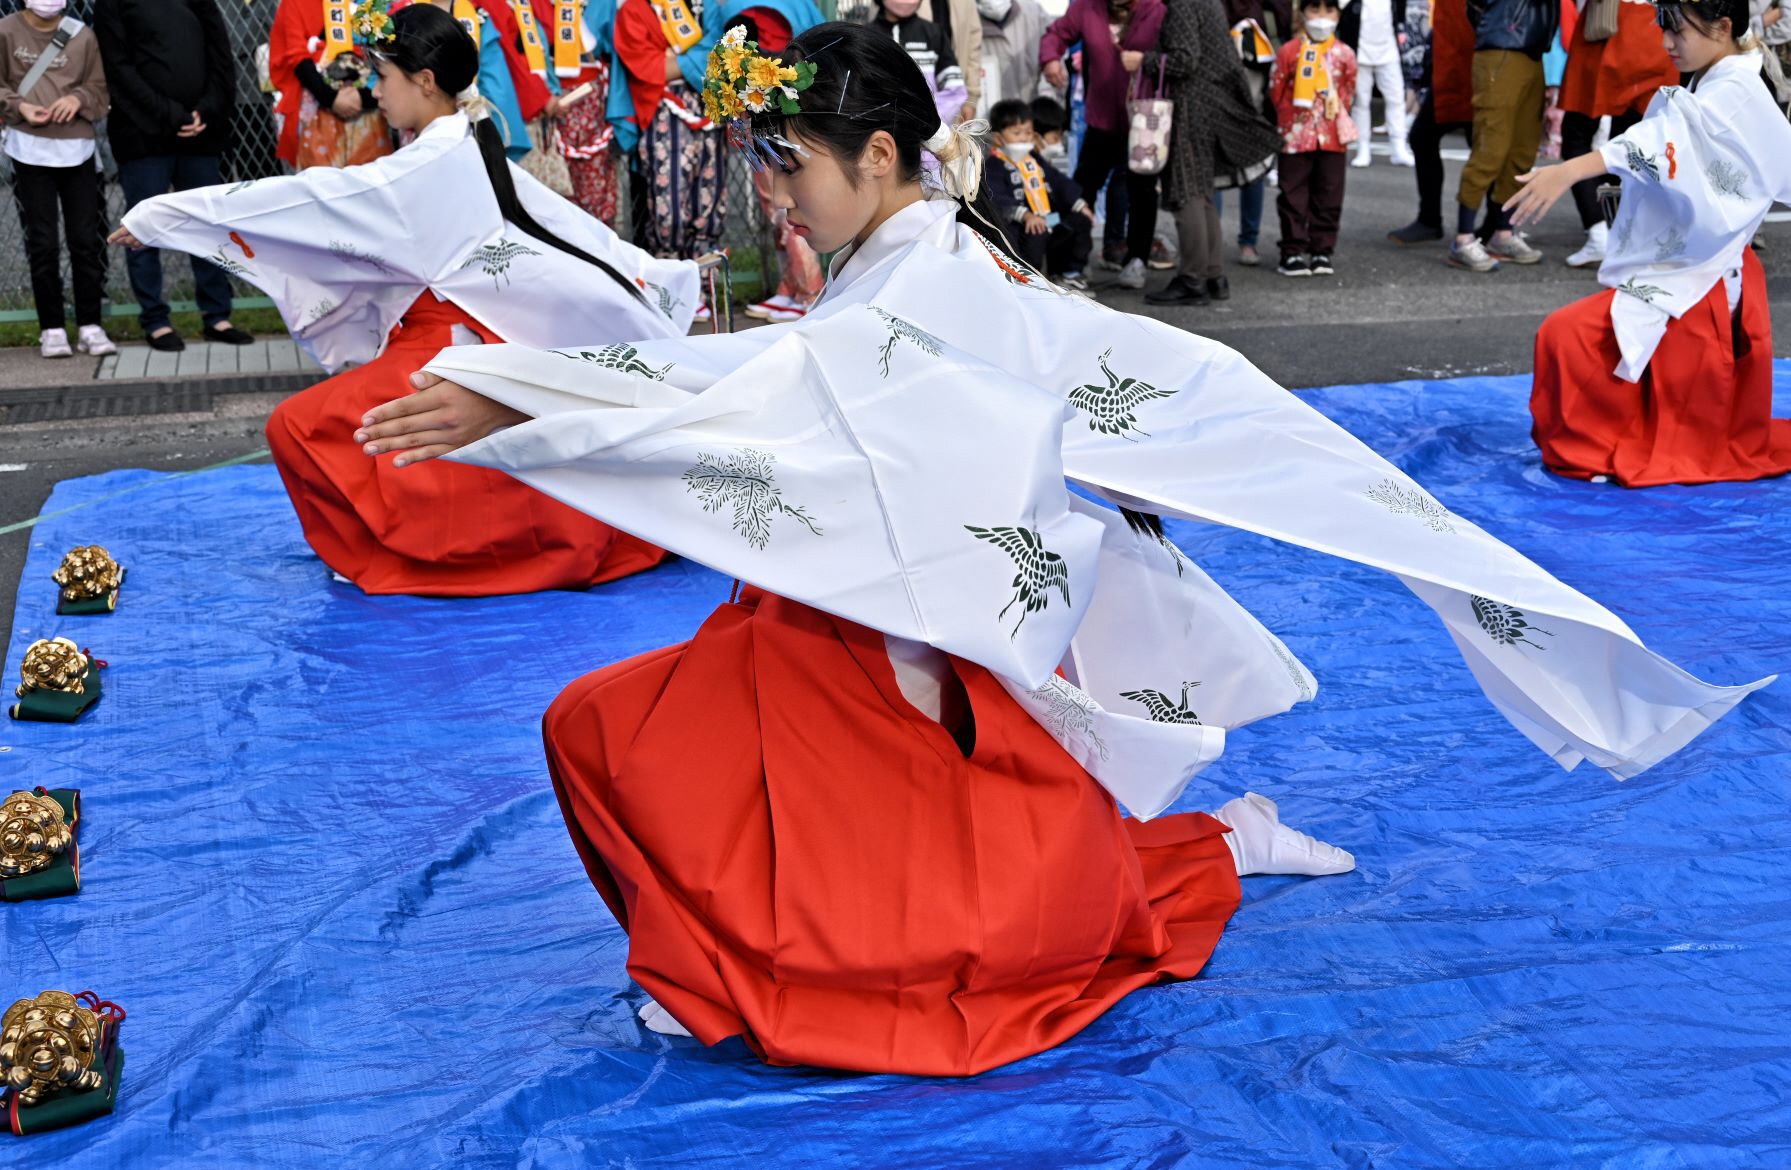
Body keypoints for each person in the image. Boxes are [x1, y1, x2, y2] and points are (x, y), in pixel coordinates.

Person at [357, 21, 1768, 1073]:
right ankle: (730, 959)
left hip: (906, 643)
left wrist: (530, 397)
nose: (775, 194)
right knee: (614, 736)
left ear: (881, 159)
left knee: (843, 873)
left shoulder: (942, 274)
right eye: (768, 166)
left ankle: (1202, 846)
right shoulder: (894, 261)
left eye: (790, 167)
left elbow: (775, 391)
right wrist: (535, 393)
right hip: (843, 616)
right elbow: (789, 382)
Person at [111, 3, 698, 596]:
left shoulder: (431, 160)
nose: (374, 89)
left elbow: (312, 198)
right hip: (463, 334)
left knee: (299, 427)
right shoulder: (468, 137)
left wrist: (171, 213)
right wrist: (655, 275)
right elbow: (570, 231)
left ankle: (392, 558)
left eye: (384, 76)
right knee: (353, 432)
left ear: (423, 81)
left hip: (450, 343)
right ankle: (422, 547)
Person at [1513, 0, 1791, 487]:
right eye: (1665, 27)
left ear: (1723, 27)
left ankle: (1596, 448)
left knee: (1568, 336)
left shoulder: (1735, 89)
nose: (1666, 42)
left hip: (1707, 272)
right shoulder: (1722, 80)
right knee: (1574, 336)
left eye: (1677, 31)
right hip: (1700, 261)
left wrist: (1568, 170)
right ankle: (1602, 443)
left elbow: (1664, 140)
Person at [93, 0, 255, 354]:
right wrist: (171, 114)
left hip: (202, 132)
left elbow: (220, 57)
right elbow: (118, 68)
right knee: (142, 229)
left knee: (208, 226)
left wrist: (206, 110)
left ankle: (217, 315)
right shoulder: (111, 5)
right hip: (144, 134)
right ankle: (155, 320)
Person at [1142, 0, 1282, 304]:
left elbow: (1185, 60)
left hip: (1190, 109)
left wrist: (1146, 60)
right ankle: (1214, 276)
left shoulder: (1181, 6)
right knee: (1202, 193)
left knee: (1186, 193)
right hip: (1211, 106)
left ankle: (1192, 278)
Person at [0, 0, 114, 361]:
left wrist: (78, 98)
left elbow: (99, 89)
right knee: (42, 242)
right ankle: (51, 328)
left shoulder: (83, 36)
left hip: (77, 149)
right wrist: (19, 107)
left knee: (85, 240)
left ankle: (91, 326)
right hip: (28, 150)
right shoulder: (6, 30)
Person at [602, 0, 728, 317]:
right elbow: (647, 67)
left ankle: (705, 289)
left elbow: (722, 53)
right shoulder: (634, 10)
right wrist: (695, 60)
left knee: (709, 200)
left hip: (710, 109)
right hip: (663, 114)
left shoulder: (706, 6)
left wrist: (676, 60)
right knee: (668, 206)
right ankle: (673, 293)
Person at [1041, 0, 1168, 289]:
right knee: (1083, 188)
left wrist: (1147, 60)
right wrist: (1050, 58)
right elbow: (1057, 33)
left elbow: (1175, 55)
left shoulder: (1156, 10)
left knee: (1142, 191)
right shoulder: (1087, 7)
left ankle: (1137, 259)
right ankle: (1072, 264)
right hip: (1100, 120)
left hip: (1143, 118)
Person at [1556, 0, 1678, 268]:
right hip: (1656, 30)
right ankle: (1628, 231)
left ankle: (1600, 230)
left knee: (1577, 136)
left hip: (1610, 28)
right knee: (1634, 142)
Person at [1447, 0, 1555, 271]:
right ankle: (1463, 238)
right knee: (1491, 148)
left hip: (1531, 47)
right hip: (1501, 45)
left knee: (1522, 150)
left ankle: (1502, 232)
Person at [1270, 0, 1356, 276]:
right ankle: (1292, 251)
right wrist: (1290, 119)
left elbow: (1349, 92)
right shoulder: (1289, 51)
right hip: (1295, 135)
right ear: (1303, 14)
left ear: (1338, 15)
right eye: (1314, 10)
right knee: (1293, 194)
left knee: (1329, 194)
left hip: (1332, 136)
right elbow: (1277, 91)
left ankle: (1322, 250)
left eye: (1329, 11)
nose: (1322, 18)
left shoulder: (1344, 54)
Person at [269, 0, 396, 170]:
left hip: (369, 96)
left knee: (372, 178)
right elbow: (296, 54)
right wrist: (330, 98)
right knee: (321, 183)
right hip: (318, 100)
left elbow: (385, 44)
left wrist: (364, 96)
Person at [1388, 0, 1474, 243]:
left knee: (1484, 151)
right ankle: (1432, 219)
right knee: (1424, 138)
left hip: (1475, 62)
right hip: (1451, 62)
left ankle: (1496, 227)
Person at [986, 97, 1094, 287]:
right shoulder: (994, 165)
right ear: (998, 138)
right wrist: (1026, 215)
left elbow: (1058, 181)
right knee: (1035, 234)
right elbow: (996, 197)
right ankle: (1029, 282)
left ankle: (1067, 273)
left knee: (1079, 220)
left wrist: (1079, 204)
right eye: (1016, 132)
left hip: (1047, 219)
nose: (1024, 138)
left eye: (1028, 132)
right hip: (1023, 225)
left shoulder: (1034, 159)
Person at [1216, 0, 1290, 265]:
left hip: (1253, 92)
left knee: (1251, 171)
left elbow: (1285, 20)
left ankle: (1246, 241)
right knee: (1219, 172)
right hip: (1223, 89)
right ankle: (1224, 242)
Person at [1339, 0, 1410, 166]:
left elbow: (1399, 16)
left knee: (1396, 98)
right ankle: (1363, 147)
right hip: (1360, 51)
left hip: (1388, 50)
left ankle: (1399, 146)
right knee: (1361, 102)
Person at [878, 0, 971, 123]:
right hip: (881, 132)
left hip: (928, 130)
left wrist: (927, 120)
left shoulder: (933, 33)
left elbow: (955, 90)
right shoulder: (868, 35)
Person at [977, 0, 1050, 106]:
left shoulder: (1036, 15)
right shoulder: (964, 24)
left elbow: (1054, 75)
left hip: (1034, 115)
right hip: (990, 117)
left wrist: (1043, 112)